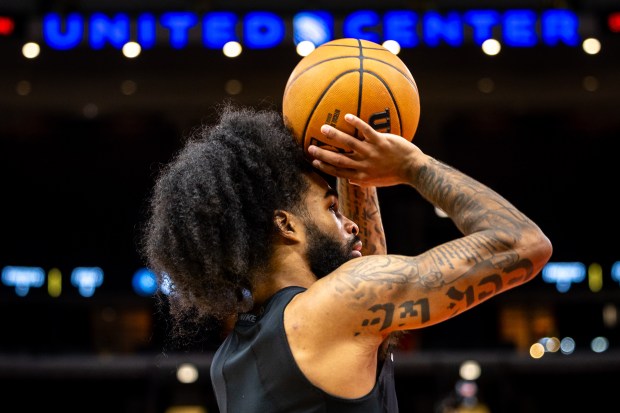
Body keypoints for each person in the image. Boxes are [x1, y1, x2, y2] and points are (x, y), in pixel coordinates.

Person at [142, 103, 552, 413]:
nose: (351, 224)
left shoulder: (227, 361)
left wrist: (355, 169)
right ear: (286, 226)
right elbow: (524, 243)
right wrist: (413, 165)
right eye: (331, 209)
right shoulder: (332, 309)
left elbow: (363, 270)